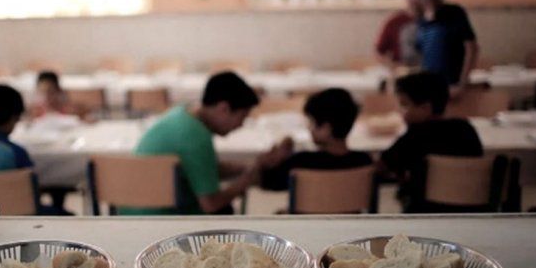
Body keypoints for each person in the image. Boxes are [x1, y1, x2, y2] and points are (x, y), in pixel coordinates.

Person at [120, 71, 261, 215]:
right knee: (224, 211)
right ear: (223, 109)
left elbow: (202, 168)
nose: (241, 124)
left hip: (131, 212)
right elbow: (211, 204)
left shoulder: (181, 114)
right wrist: (247, 181)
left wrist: (245, 168)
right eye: (242, 117)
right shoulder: (196, 137)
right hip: (160, 217)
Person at [379, 72, 483, 212]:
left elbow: (383, 166)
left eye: (404, 105)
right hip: (471, 212)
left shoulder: (415, 136)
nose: (400, 112)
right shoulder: (466, 129)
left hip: (425, 213)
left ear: (425, 108)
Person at [259, 89, 373, 191]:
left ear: (326, 128)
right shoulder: (364, 162)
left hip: (309, 210)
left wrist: (276, 160)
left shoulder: (302, 162)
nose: (309, 128)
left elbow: (268, 183)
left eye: (311, 122)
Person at [414, 0, 479, 95]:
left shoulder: (455, 13)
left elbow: (471, 48)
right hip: (429, 84)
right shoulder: (421, 20)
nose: (429, 1)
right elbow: (421, 54)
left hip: (453, 82)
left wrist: (462, 83)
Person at [375, 0, 422, 69]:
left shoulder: (433, 23)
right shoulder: (394, 22)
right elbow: (379, 52)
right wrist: (393, 67)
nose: (415, 0)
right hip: (402, 71)